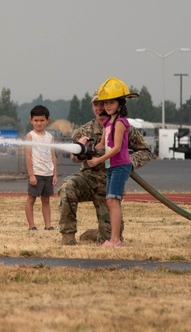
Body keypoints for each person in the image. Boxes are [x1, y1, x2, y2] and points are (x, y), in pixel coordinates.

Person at [58, 91, 152, 245]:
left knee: (110, 237)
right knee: (67, 187)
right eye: (96, 104)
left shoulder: (122, 126)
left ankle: (96, 233)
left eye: (104, 103)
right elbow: (74, 157)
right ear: (92, 106)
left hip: (110, 181)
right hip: (87, 178)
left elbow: (146, 151)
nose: (100, 108)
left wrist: (128, 163)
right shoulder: (84, 130)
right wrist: (81, 148)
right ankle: (68, 235)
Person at [84, 77, 136, 247]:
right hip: (111, 166)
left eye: (111, 102)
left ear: (120, 104)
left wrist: (99, 159)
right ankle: (113, 238)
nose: (106, 106)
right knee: (110, 200)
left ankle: (115, 239)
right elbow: (102, 144)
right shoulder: (108, 123)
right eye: (105, 102)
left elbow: (116, 148)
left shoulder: (120, 123)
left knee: (113, 201)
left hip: (120, 165)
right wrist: (86, 148)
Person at [24, 104, 57, 231]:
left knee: (46, 200)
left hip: (48, 174)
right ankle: (31, 225)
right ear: (31, 120)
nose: (39, 123)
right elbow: (28, 156)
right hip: (36, 173)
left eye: (42, 120)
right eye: (36, 120)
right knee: (31, 199)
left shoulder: (50, 137)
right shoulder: (30, 136)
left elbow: (53, 156)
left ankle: (48, 225)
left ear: (48, 120)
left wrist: (54, 174)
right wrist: (31, 174)